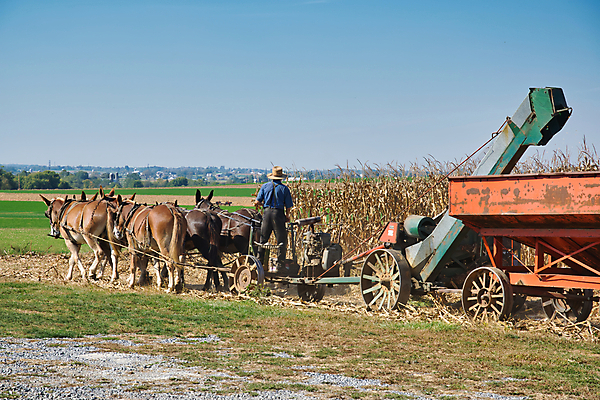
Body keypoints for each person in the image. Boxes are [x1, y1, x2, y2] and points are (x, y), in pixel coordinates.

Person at [254, 166, 293, 271]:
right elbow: (288, 206)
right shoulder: (284, 189)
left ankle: (259, 262)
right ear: (281, 178)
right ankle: (280, 264)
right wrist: (287, 216)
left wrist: (263, 206)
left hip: (266, 213)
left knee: (263, 239)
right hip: (278, 214)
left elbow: (257, 202)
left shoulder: (265, 186)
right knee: (281, 240)